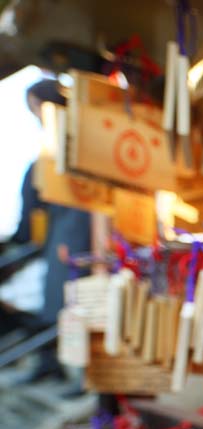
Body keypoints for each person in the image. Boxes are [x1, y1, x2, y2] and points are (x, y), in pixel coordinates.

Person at [12, 79, 93, 380]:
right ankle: (54, 365)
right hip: (63, 227)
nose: (34, 114)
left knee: (72, 299)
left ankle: (85, 375)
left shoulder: (73, 135)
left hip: (75, 226)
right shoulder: (53, 143)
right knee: (58, 300)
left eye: (35, 106)